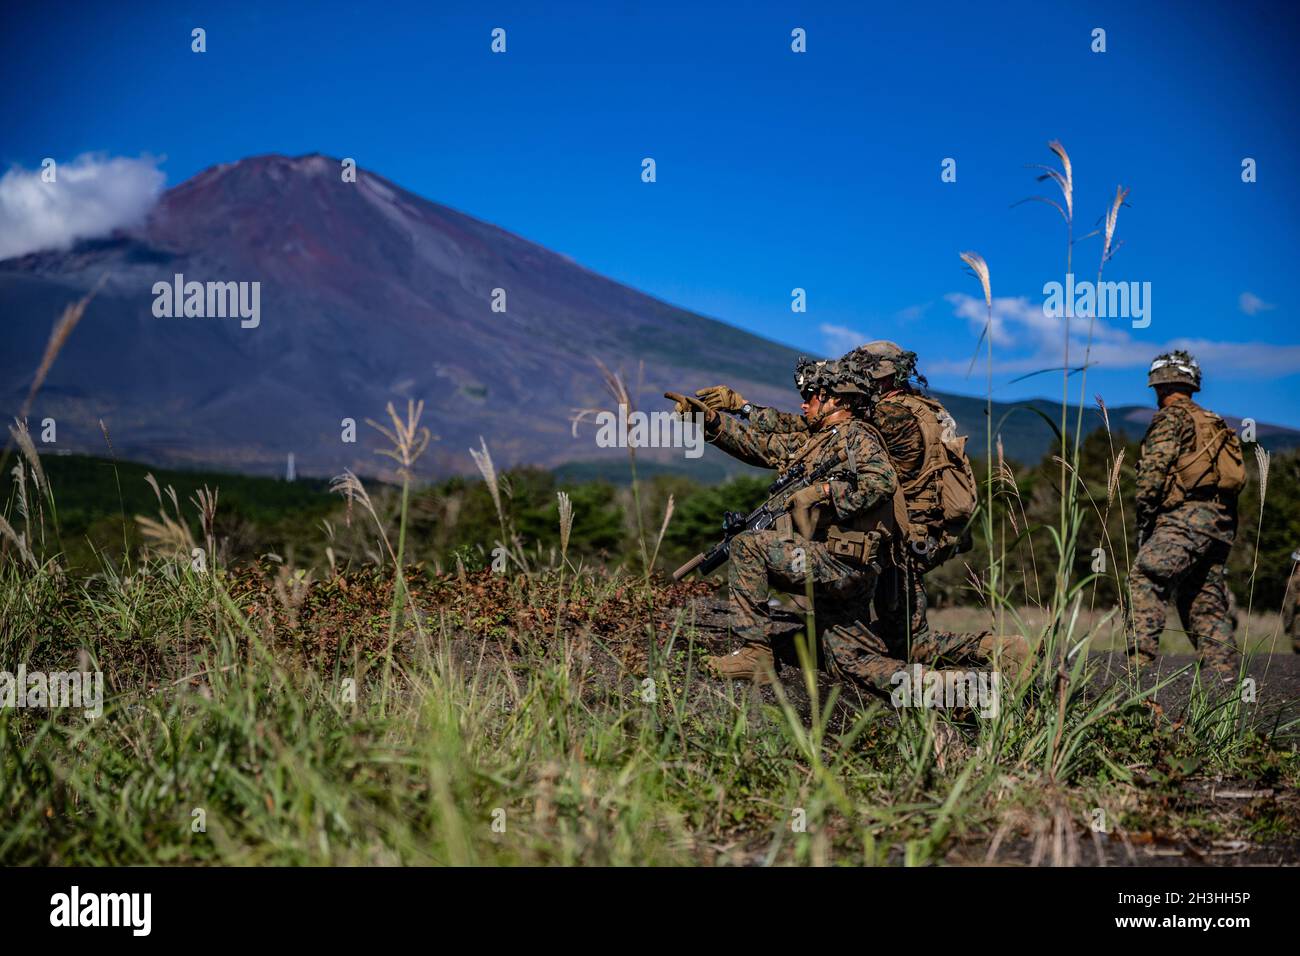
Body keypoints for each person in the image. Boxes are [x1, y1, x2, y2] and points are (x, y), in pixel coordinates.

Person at [1129, 350, 1245, 671]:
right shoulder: (1213, 422)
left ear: (1159, 386)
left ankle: (1139, 666)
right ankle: (1222, 675)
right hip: (1220, 523)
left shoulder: (1171, 418)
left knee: (1146, 575)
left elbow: (1153, 472)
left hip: (1184, 518)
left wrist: (1145, 516)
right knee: (1203, 596)